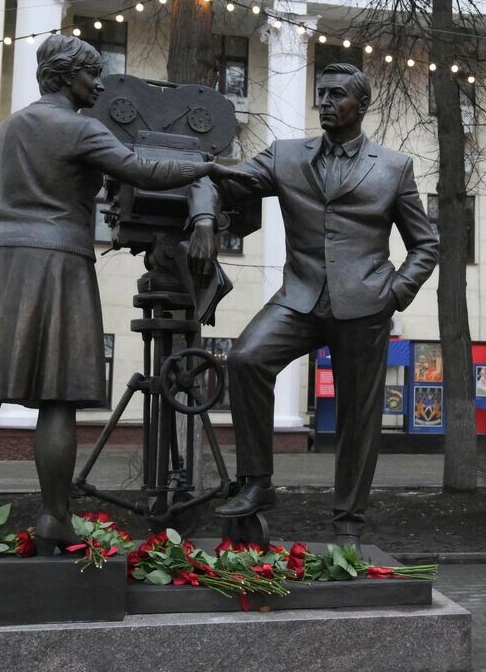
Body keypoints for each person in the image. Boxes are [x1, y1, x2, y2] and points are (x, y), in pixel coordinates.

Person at [0, 35, 255, 554]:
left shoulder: (13, 125)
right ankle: (54, 517)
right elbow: (144, 169)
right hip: (58, 259)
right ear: (67, 77)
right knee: (57, 397)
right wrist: (207, 166)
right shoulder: (82, 129)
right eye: (92, 73)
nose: (101, 82)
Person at [187, 63, 438, 543]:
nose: (324, 101)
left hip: (366, 305)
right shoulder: (285, 156)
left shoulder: (393, 167)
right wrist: (203, 219)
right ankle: (258, 483)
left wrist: (395, 294)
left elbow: (425, 244)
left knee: (357, 417)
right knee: (245, 359)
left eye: (336, 95)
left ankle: (348, 524)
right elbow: (219, 178)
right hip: (300, 298)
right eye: (320, 93)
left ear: (361, 106)